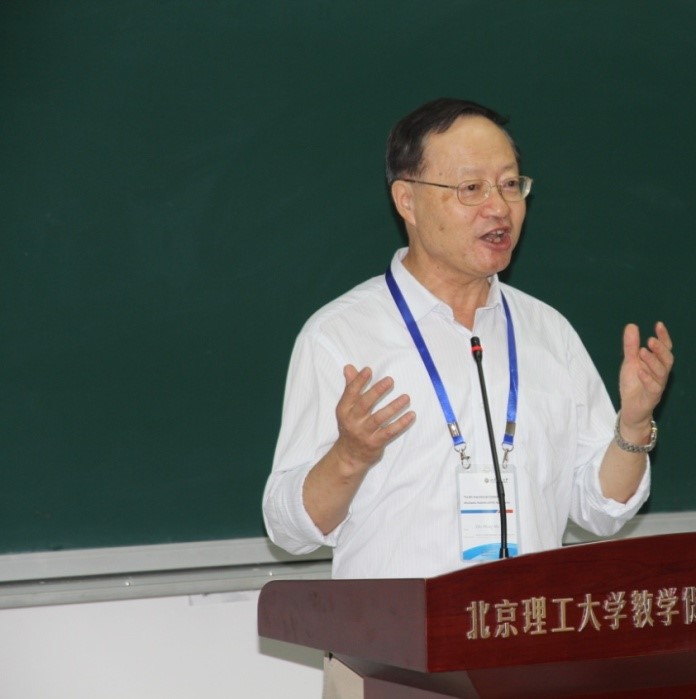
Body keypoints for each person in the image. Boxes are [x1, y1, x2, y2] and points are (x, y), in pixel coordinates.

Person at [262, 97, 674, 695]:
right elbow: (288, 527)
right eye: (471, 188)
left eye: (510, 185)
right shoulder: (341, 336)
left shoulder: (548, 333)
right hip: (391, 669)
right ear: (407, 200)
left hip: (531, 659)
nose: (498, 207)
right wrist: (349, 455)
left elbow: (600, 510)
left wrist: (633, 427)